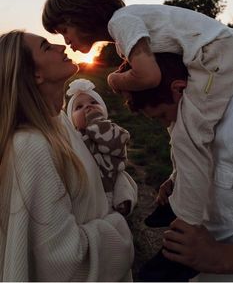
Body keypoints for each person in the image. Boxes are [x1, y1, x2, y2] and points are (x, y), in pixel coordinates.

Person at [42, 0, 233, 228]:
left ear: (79, 16)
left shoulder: (122, 21)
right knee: (181, 123)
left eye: (64, 31)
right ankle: (178, 191)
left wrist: (115, 80)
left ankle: (188, 225)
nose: (65, 41)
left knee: (192, 134)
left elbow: (148, 75)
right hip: (212, 56)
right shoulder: (125, 31)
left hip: (217, 55)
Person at [0, 30, 135, 282]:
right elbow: (65, 265)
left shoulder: (59, 121)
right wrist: (119, 230)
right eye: (45, 46)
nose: (60, 47)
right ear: (35, 74)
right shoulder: (31, 147)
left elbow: (90, 183)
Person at [125, 53, 233, 281]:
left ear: (179, 88)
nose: (167, 124)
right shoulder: (192, 121)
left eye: (163, 115)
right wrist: (177, 178)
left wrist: (221, 256)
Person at [66, 78, 137, 216]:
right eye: (79, 107)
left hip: (110, 183)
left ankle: (123, 204)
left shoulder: (109, 129)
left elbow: (115, 143)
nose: (88, 107)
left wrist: (96, 121)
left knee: (123, 182)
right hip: (89, 186)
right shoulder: (74, 138)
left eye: (93, 103)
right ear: (72, 121)